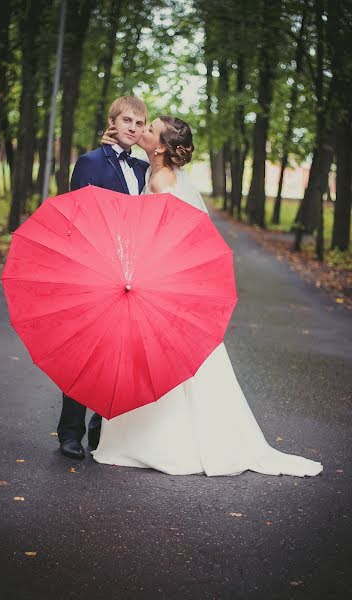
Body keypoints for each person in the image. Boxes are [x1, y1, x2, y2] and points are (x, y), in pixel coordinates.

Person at [92, 115, 324, 477]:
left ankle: (165, 443)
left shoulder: (164, 181)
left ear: (163, 147)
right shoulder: (153, 172)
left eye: (150, 129)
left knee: (162, 362)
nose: (143, 132)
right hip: (152, 279)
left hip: (158, 282)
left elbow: (165, 239)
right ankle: (144, 440)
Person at [57, 96, 149, 460]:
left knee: (117, 355)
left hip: (130, 272)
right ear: (112, 122)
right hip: (94, 269)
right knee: (85, 353)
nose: (133, 127)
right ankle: (70, 431)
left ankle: (100, 431)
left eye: (139, 123)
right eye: (127, 120)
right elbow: (75, 218)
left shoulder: (142, 168)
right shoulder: (90, 162)